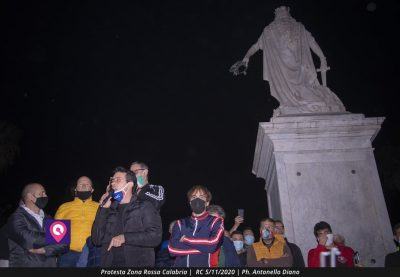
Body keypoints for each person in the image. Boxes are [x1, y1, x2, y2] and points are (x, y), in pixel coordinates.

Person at [232, 6, 345, 116]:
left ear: (276, 13)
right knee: (304, 94)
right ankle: (295, 105)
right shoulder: (281, 29)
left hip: (292, 73)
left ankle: (299, 105)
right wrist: (322, 58)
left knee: (305, 94)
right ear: (288, 12)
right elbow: (312, 42)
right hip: (294, 71)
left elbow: (256, 46)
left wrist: (246, 57)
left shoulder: (272, 30)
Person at [91, 167, 162, 267]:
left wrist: (125, 238)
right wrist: (103, 209)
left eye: (118, 180)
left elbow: (155, 236)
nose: (113, 183)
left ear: (130, 184)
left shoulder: (144, 206)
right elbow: (96, 240)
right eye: (112, 180)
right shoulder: (109, 209)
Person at [7, 183, 68, 267]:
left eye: (45, 193)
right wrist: (56, 237)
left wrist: (45, 250)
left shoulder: (49, 218)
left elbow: (65, 244)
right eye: (41, 193)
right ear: (30, 197)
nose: (45, 196)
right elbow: (28, 239)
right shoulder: (15, 218)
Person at [168, 185, 224, 267]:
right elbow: (172, 250)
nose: (197, 200)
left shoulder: (216, 221)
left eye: (201, 197)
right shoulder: (179, 223)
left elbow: (213, 244)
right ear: (190, 202)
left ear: (207, 202)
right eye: (194, 197)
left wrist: (186, 240)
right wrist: (204, 247)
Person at [55, 176, 99, 267]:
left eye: (87, 184)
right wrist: (56, 253)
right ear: (75, 189)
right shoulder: (64, 207)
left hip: (92, 253)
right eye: (80, 184)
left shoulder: (100, 207)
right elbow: (55, 233)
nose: (83, 186)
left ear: (92, 189)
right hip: (67, 254)